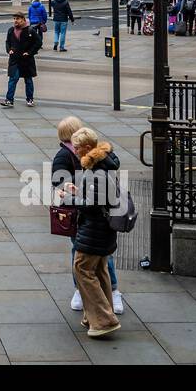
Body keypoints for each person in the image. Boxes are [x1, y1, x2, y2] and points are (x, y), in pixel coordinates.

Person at [51, 116, 124, 316]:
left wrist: (73, 192)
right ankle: (82, 292)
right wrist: (69, 186)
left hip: (92, 214)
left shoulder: (97, 157)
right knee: (83, 252)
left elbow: (97, 188)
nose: (73, 148)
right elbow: (58, 180)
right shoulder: (64, 156)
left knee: (95, 255)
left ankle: (111, 292)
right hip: (83, 215)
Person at [69, 127, 121, 338]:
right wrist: (79, 192)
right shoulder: (104, 165)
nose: (75, 150)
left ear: (88, 148)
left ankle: (103, 319)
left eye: (77, 147)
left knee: (82, 268)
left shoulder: (97, 171)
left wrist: (69, 199)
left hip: (94, 230)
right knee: (99, 270)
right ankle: (95, 316)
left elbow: (91, 205)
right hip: (103, 230)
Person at [0, 12, 41, 108]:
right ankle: (9, 100)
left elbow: (38, 42)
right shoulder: (11, 30)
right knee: (12, 79)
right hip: (14, 59)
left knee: (28, 80)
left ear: (23, 19)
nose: (15, 21)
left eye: (17, 19)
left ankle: (30, 99)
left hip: (26, 60)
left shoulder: (30, 30)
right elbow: (7, 42)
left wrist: (30, 52)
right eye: (14, 19)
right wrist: (9, 50)